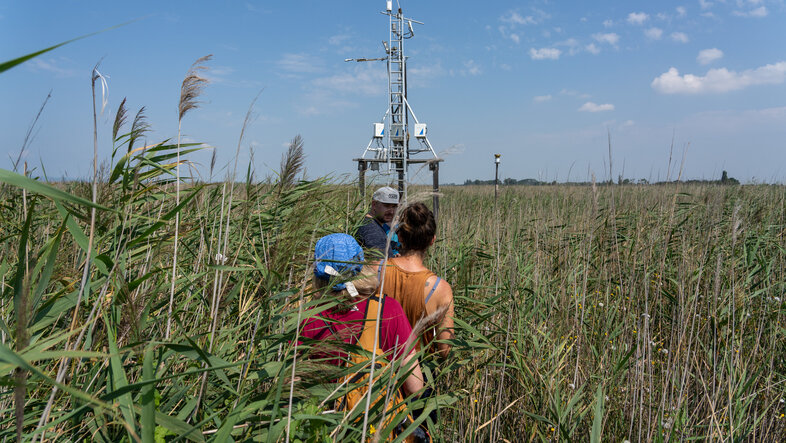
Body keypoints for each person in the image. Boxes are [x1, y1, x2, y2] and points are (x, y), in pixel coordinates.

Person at [299, 233, 425, 402]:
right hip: (377, 421)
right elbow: (414, 387)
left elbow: (291, 385)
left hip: (325, 422)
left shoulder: (309, 318)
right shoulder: (388, 309)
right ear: (361, 265)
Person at [380, 203, 455, 359]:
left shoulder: (376, 270)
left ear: (399, 237)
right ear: (432, 240)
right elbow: (444, 349)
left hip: (378, 368)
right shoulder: (440, 288)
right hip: (419, 369)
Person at [356, 186, 401, 257]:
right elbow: (379, 265)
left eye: (394, 206)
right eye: (387, 206)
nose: (391, 212)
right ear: (374, 205)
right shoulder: (372, 231)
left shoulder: (369, 224)